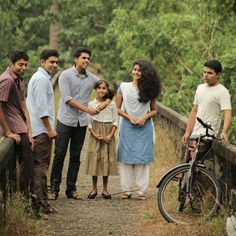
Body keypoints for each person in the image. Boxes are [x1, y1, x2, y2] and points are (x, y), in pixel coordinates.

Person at [50, 47, 110, 200]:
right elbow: (67, 99)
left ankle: (71, 190)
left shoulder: (92, 78)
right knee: (60, 154)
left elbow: (108, 89)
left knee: (75, 156)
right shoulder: (65, 75)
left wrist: (105, 103)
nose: (87, 60)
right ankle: (54, 189)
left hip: (81, 123)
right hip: (65, 120)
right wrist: (88, 110)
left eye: (88, 58)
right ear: (76, 59)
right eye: (84, 58)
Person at [116, 59, 161, 200]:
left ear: (145, 74)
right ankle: (126, 190)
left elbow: (154, 111)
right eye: (134, 69)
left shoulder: (150, 90)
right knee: (125, 158)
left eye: (139, 70)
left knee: (142, 159)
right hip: (127, 126)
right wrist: (129, 117)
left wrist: (145, 117)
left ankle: (141, 191)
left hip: (144, 127)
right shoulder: (123, 87)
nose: (136, 72)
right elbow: (117, 108)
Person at [26, 49, 59, 216]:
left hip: (39, 129)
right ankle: (37, 205)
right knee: (40, 168)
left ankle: (44, 204)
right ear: (42, 62)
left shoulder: (42, 78)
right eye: (51, 62)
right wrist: (49, 129)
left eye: (56, 62)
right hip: (41, 131)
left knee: (42, 167)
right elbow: (41, 109)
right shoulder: (41, 80)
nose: (54, 65)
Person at [182, 60, 231, 160]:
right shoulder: (200, 88)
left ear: (218, 75)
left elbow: (227, 112)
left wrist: (224, 131)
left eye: (209, 73)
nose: (205, 75)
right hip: (195, 134)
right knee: (187, 167)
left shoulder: (222, 91)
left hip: (208, 136)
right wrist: (187, 132)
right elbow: (194, 111)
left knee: (200, 168)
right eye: (204, 72)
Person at [0, 51, 33, 197]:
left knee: (27, 163)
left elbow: (24, 105)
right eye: (20, 65)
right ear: (12, 64)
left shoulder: (19, 79)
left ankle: (23, 197)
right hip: (13, 127)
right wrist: (7, 132)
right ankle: (23, 198)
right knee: (26, 164)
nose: (23, 68)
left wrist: (30, 131)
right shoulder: (7, 80)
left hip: (20, 126)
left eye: (25, 65)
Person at [85, 80, 118, 200]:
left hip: (108, 131)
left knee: (106, 160)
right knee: (95, 158)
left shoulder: (112, 104)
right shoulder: (91, 104)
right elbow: (89, 122)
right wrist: (94, 134)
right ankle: (94, 188)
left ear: (107, 90)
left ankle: (105, 189)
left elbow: (115, 121)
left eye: (104, 88)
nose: (101, 90)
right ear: (96, 90)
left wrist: (110, 135)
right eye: (99, 88)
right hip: (96, 131)